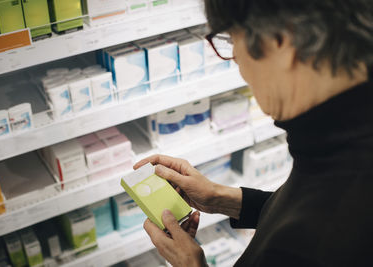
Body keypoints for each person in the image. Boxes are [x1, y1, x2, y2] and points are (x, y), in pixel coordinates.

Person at [134, 0, 373, 266]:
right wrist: (220, 198)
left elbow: (312, 228)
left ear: (280, 40)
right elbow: (300, 208)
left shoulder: (318, 239)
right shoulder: (338, 146)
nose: (240, 67)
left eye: (233, 43)